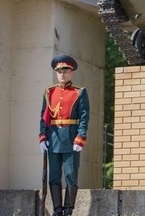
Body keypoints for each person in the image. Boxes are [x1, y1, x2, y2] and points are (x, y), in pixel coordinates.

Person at [39, 55, 90, 216]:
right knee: (54, 176)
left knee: (70, 176)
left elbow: (84, 116)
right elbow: (44, 116)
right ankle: (57, 210)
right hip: (53, 138)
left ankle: (68, 210)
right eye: (59, 71)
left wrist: (81, 136)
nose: (62, 74)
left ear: (71, 72)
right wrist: (42, 136)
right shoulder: (49, 92)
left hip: (71, 138)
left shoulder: (79, 92)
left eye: (65, 71)